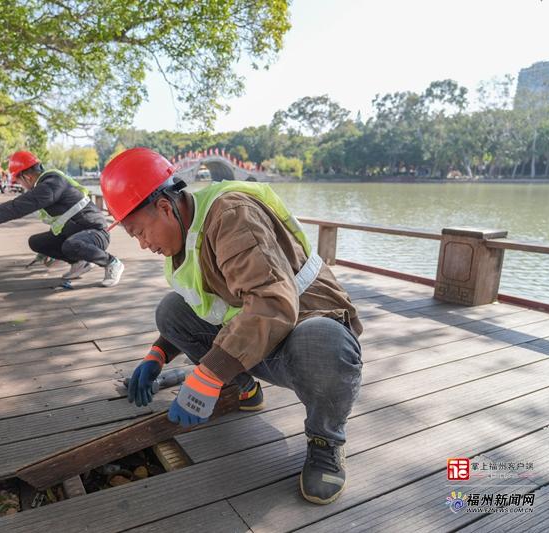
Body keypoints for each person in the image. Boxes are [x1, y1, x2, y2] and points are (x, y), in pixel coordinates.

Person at [100, 148, 363, 505]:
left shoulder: (232, 215)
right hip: (253, 337)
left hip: (301, 328)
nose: (144, 245)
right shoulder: (186, 232)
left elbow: (272, 302)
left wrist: (207, 376)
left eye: (140, 232)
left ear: (164, 207)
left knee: (325, 341)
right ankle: (244, 391)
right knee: (170, 311)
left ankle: (326, 441)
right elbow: (202, 307)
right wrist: (157, 355)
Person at [0, 150, 125, 287]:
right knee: (37, 242)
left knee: (72, 245)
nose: (20, 185)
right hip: (76, 231)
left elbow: (20, 205)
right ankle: (79, 263)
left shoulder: (51, 183)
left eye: (18, 181)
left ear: (26, 176)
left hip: (96, 233)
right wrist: (49, 249)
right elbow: (61, 220)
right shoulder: (47, 184)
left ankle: (111, 262)